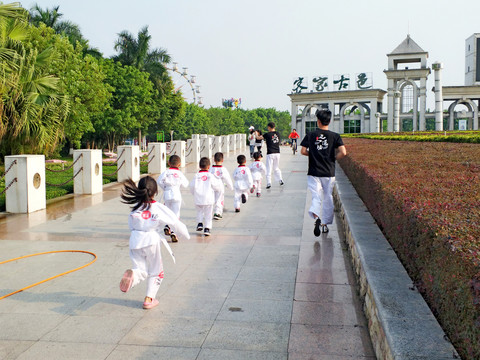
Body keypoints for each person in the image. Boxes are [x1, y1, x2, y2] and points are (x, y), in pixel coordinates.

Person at [119, 176, 190, 309]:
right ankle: (149, 299)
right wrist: (185, 234)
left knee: (140, 269)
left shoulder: (136, 208)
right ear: (155, 192)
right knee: (157, 271)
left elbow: (131, 225)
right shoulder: (158, 207)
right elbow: (174, 221)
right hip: (151, 240)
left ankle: (133, 275)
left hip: (135, 240)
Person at [300, 109, 347, 236]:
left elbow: (303, 151)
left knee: (316, 195)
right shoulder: (335, 136)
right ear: (329, 121)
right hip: (329, 171)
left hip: (314, 171)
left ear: (318, 121)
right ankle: (325, 224)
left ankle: (316, 217)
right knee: (328, 196)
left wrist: (313, 154)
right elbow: (343, 152)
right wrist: (333, 158)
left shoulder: (310, 134)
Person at [156, 155, 189, 242]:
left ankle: (167, 225)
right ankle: (174, 232)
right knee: (176, 214)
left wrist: (165, 187)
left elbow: (159, 181)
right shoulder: (180, 173)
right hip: (176, 194)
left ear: (169, 163)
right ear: (179, 164)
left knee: (168, 211)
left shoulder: (166, 172)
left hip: (167, 194)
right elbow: (186, 184)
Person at [190, 157, 223, 236]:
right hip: (208, 198)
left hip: (198, 197)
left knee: (199, 211)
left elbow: (191, 186)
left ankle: (200, 223)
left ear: (199, 166)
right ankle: (207, 228)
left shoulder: (196, 175)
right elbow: (216, 186)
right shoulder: (210, 176)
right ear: (209, 166)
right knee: (208, 214)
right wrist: (219, 190)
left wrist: (194, 193)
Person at [210, 152, 233, 220]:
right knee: (219, 199)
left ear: (214, 160)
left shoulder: (211, 168)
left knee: (212, 199)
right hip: (220, 185)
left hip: (211, 186)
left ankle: (210, 211)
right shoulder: (223, 169)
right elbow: (227, 179)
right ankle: (217, 213)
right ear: (222, 160)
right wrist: (230, 187)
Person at [262, 122, 284, 189]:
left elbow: (259, 138)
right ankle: (280, 180)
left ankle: (269, 183)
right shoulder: (278, 134)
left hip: (270, 153)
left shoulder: (267, 134)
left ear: (269, 127)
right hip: (277, 153)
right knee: (276, 168)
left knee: (269, 168)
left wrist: (255, 134)